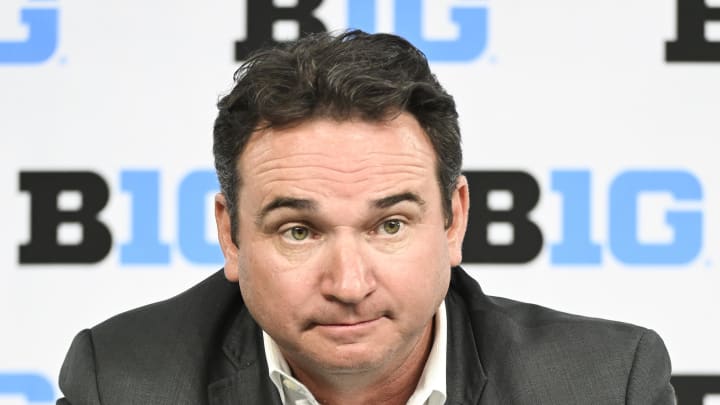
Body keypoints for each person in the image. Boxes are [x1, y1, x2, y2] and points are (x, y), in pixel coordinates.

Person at [57, 30, 675, 405]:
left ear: (453, 221)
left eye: (390, 225)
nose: (349, 285)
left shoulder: (602, 384)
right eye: (298, 230)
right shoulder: (124, 382)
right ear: (231, 236)